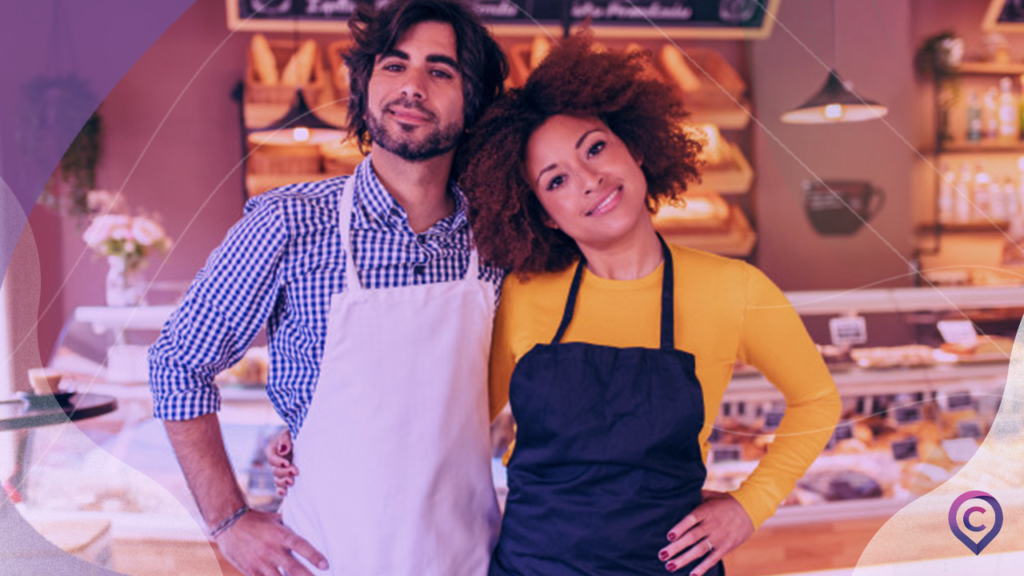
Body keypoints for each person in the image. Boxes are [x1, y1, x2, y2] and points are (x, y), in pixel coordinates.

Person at [272, 33, 841, 576]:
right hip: (533, 566)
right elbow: (448, 413)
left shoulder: (734, 289)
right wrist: (317, 435)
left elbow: (816, 400)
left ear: (636, 151)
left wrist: (750, 506)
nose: (590, 180)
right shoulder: (524, 291)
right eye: (556, 180)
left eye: (595, 148)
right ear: (544, 213)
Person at [147, 1, 508, 575]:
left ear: (474, 101)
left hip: (467, 559)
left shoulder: (499, 239)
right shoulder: (287, 223)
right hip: (325, 558)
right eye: (394, 65)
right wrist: (229, 521)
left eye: (441, 71)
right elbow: (176, 362)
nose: (412, 87)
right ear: (365, 85)